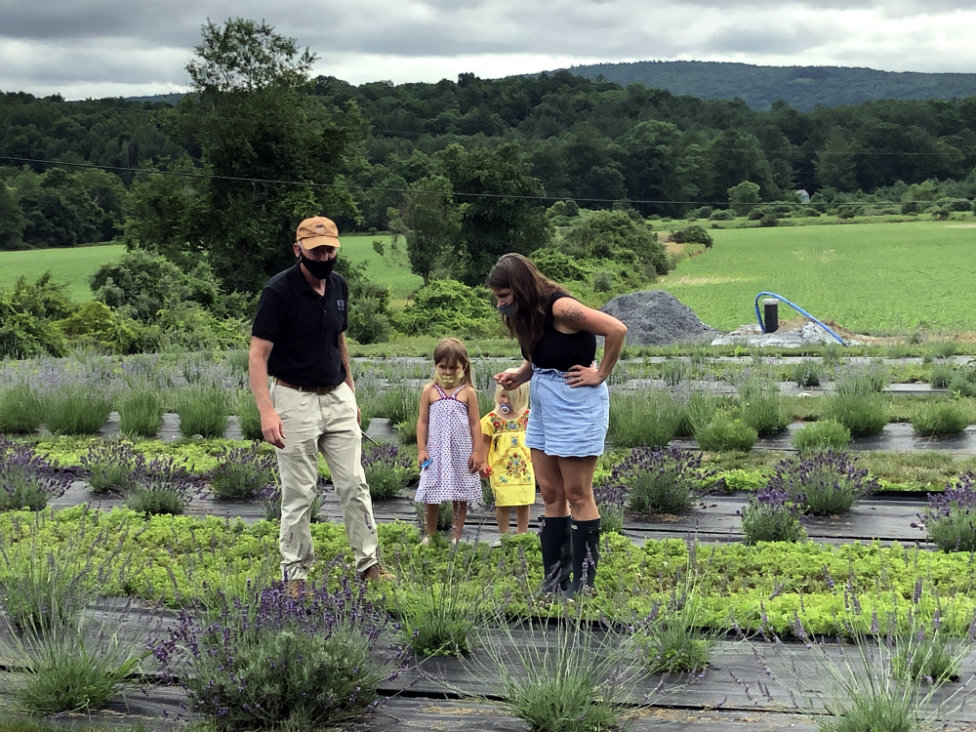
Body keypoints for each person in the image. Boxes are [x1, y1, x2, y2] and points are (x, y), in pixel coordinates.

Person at [248, 215, 390, 594]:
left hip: (336, 394)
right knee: (299, 491)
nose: (325, 257)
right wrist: (267, 411)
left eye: (330, 250)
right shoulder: (278, 292)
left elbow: (338, 340)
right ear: (299, 250)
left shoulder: (339, 286)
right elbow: (258, 355)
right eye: (317, 251)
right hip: (294, 398)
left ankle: (370, 564)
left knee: (355, 484)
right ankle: (295, 575)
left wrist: (350, 390)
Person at [487, 253, 627, 596]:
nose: (501, 304)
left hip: (576, 403)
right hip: (545, 404)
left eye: (504, 296)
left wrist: (600, 373)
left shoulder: (561, 307)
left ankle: (584, 585)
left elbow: (616, 329)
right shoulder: (530, 314)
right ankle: (554, 581)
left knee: (578, 493)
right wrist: (520, 374)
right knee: (551, 493)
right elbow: (541, 354)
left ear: (520, 288)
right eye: (498, 298)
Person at [415, 337, 484, 546]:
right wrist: (421, 449)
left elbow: (475, 424)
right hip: (435, 452)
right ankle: (431, 535)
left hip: (461, 452)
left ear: (464, 367)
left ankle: (456, 536)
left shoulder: (467, 392)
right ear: (436, 365)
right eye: (442, 366)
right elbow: (422, 422)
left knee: (460, 495)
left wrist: (477, 451)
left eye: (453, 368)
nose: (447, 372)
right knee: (431, 493)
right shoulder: (430, 391)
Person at [480, 369, 535, 544]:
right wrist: (482, 462)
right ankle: (504, 535)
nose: (505, 400)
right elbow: (484, 443)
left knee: (523, 501)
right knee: (502, 502)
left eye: (510, 397)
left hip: (524, 468)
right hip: (501, 469)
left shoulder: (528, 417)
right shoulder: (492, 420)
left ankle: (522, 534)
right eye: (502, 396)